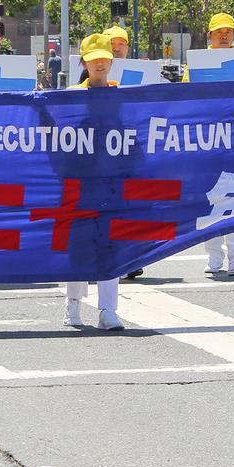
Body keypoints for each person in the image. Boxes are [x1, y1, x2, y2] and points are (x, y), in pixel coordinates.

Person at [189, 12, 234, 277]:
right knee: (213, 199)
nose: (224, 35)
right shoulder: (196, 65)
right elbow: (188, 100)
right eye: (219, 31)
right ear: (209, 36)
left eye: (229, 31)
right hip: (208, 142)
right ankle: (214, 256)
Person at [64, 33, 124, 330]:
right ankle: (72, 305)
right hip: (78, 183)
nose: (100, 63)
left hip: (111, 183)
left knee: (110, 246)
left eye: (105, 57)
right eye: (94, 58)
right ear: (85, 62)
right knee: (78, 246)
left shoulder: (124, 95)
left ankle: (108, 310)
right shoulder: (71, 95)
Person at [104, 25, 144, 280]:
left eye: (121, 43)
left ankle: (131, 258)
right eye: (112, 43)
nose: (117, 48)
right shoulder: (87, 77)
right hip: (100, 154)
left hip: (133, 149)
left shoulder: (141, 74)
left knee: (131, 206)